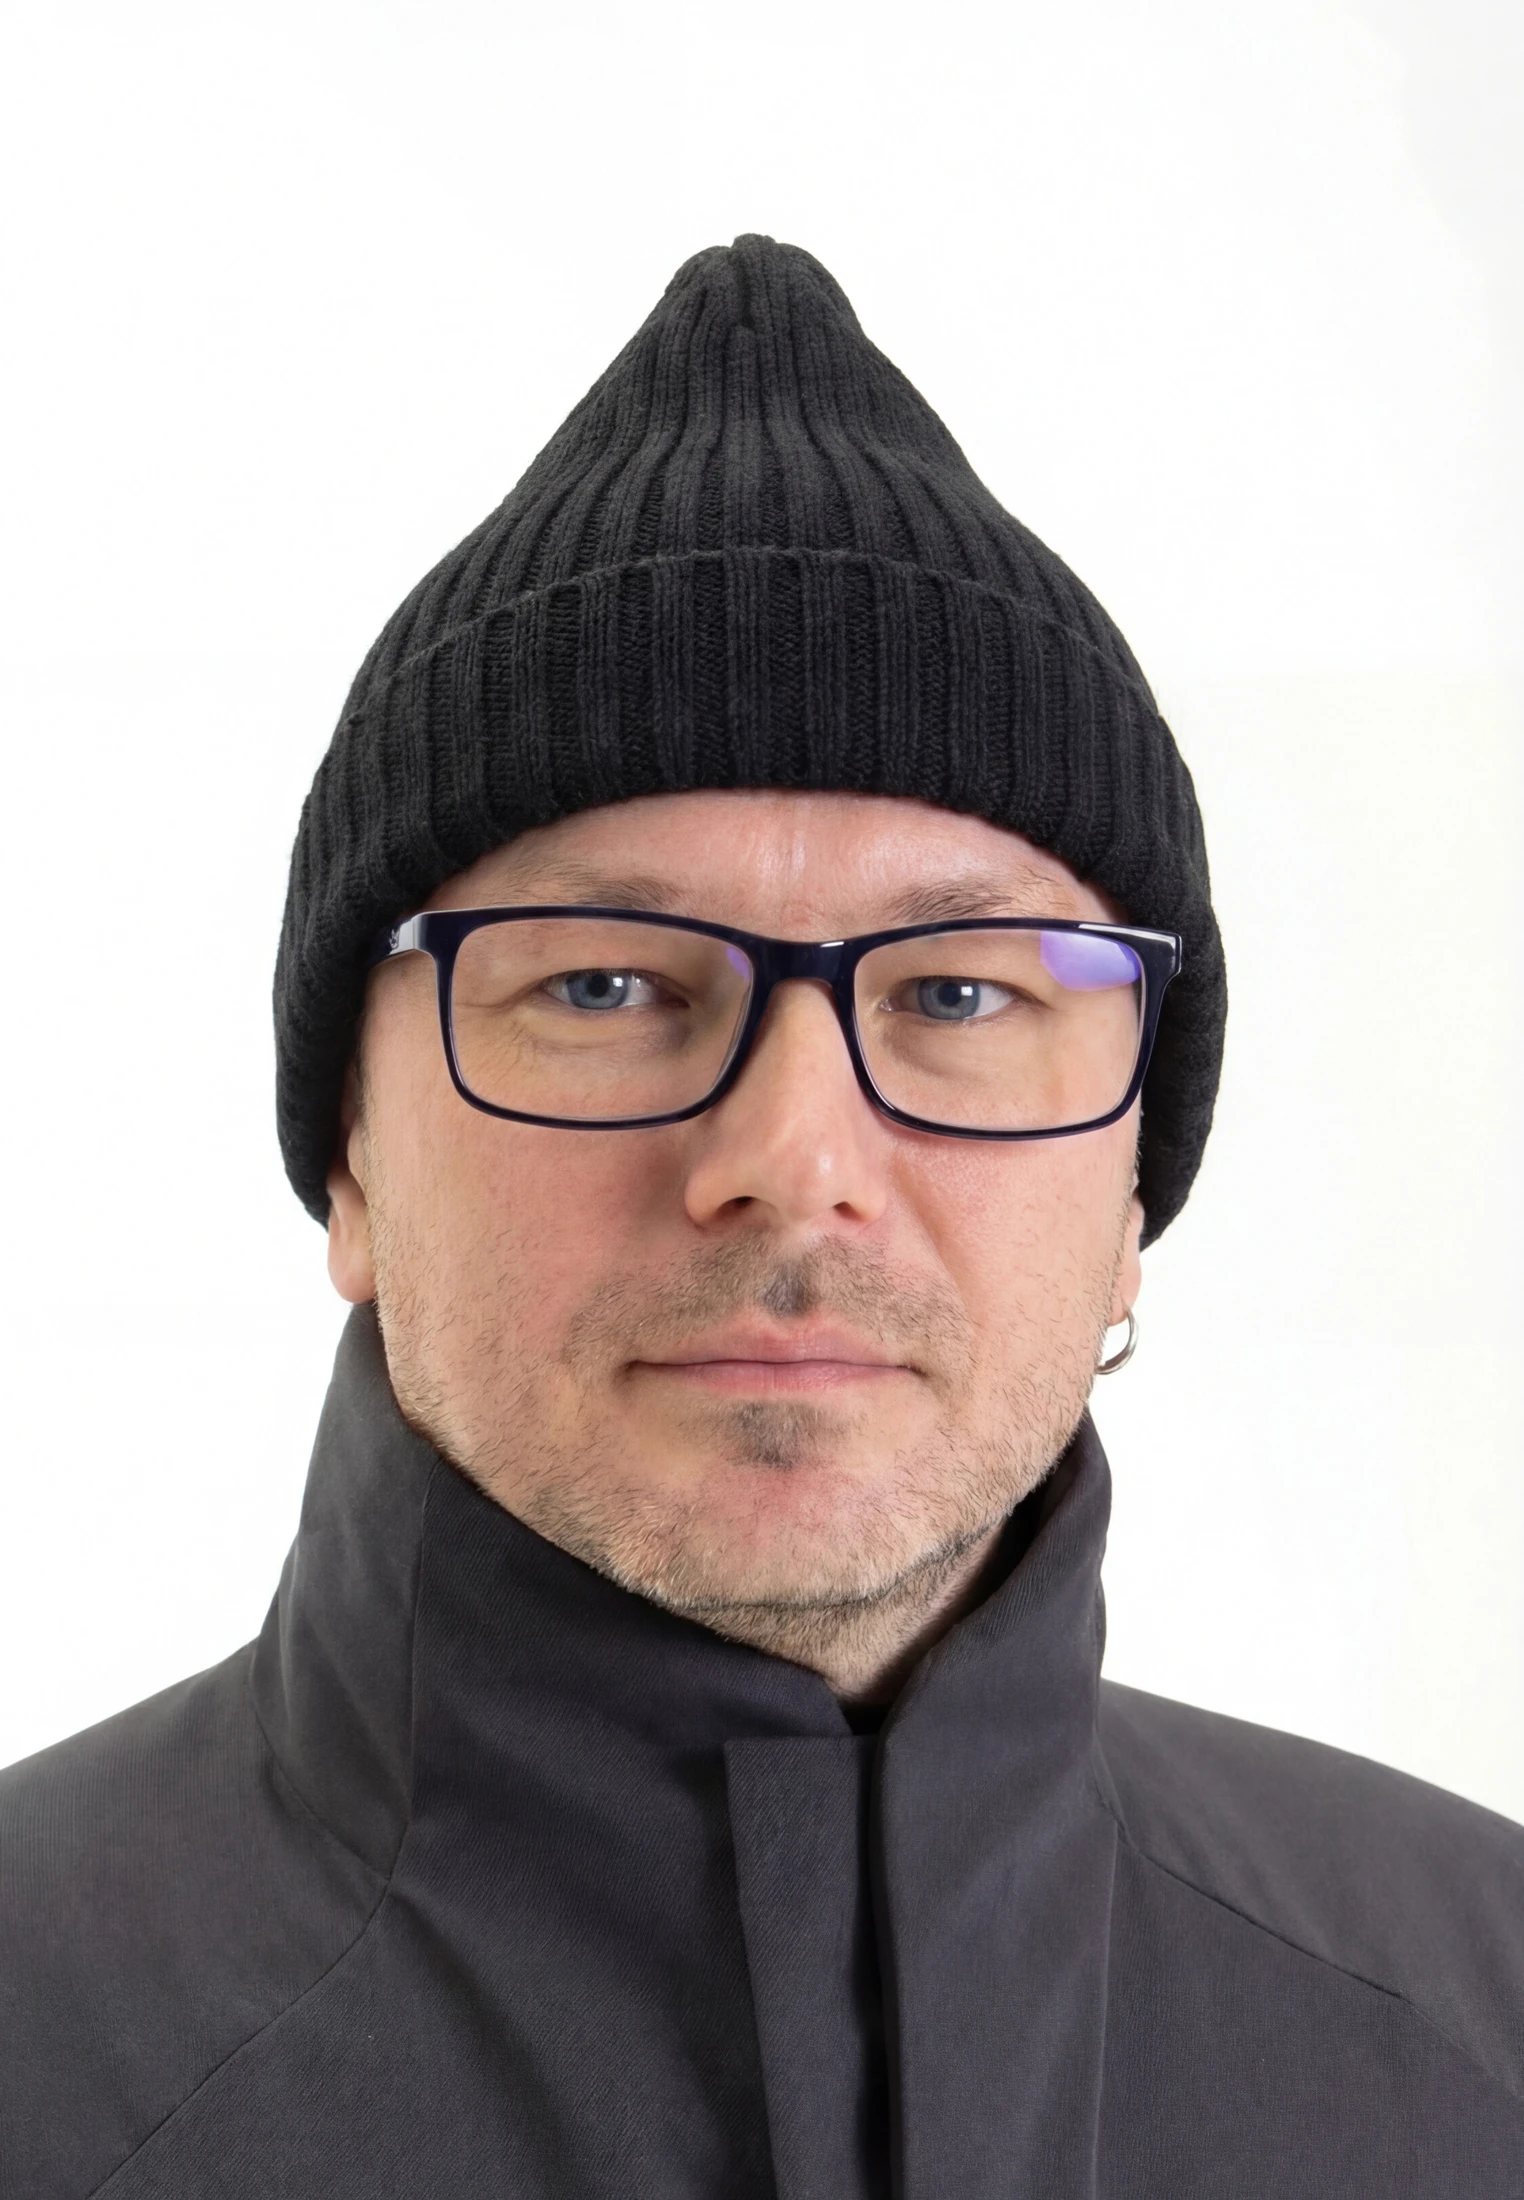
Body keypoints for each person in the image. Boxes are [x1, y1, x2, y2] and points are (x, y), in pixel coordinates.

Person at [4, 236, 1522, 2200]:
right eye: (606, 984)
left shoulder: (1482, 2026)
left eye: (958, 991)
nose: (793, 1156)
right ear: (354, 1158)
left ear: (1134, 1187)